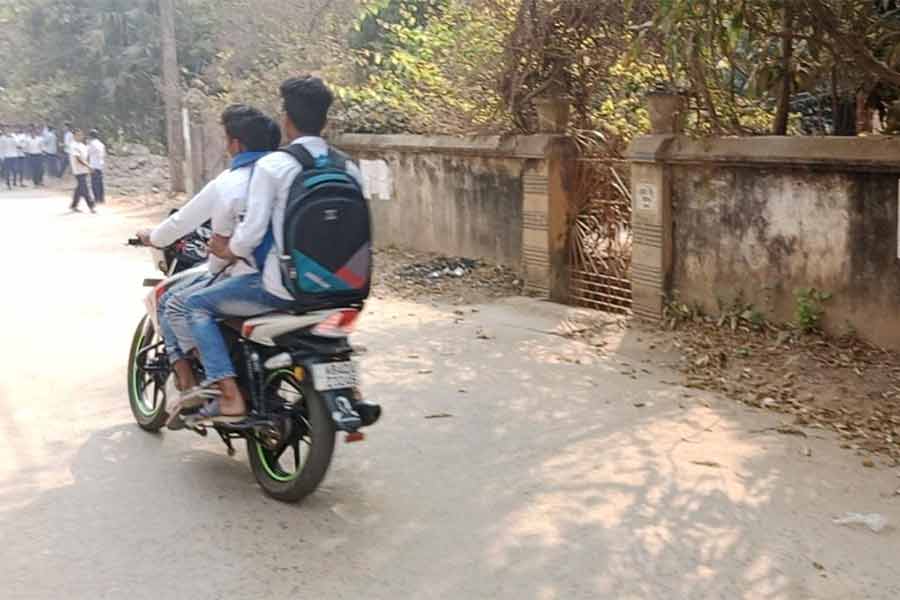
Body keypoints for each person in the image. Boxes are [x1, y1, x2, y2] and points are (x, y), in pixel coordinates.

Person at [184, 76, 363, 420]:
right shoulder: (348, 167)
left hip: (285, 289)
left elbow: (249, 235)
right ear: (325, 120)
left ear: (286, 120)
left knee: (197, 305)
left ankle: (230, 396)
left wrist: (227, 251)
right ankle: (349, 389)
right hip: (346, 289)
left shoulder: (274, 166)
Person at [135, 106, 281, 418]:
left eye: (227, 140)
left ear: (236, 144)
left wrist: (153, 237)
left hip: (253, 278)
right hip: (299, 276)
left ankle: (209, 386)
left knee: (177, 303)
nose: (226, 146)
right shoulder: (288, 175)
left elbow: (183, 225)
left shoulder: (230, 182)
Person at [69, 129, 95, 213]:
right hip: (78, 170)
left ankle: (74, 205)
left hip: (84, 170)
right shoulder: (73, 146)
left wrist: (89, 166)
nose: (80, 136)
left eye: (81, 135)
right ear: (74, 136)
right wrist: (88, 166)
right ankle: (91, 206)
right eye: (78, 135)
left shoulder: (83, 145)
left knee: (80, 188)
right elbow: (78, 159)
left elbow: (86, 157)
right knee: (84, 188)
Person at [86, 129, 106, 204]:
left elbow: (87, 153)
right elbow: (104, 154)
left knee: (94, 183)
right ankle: (101, 198)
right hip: (100, 165)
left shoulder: (91, 144)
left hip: (93, 165)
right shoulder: (101, 144)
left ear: (90, 136)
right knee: (100, 182)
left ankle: (96, 198)